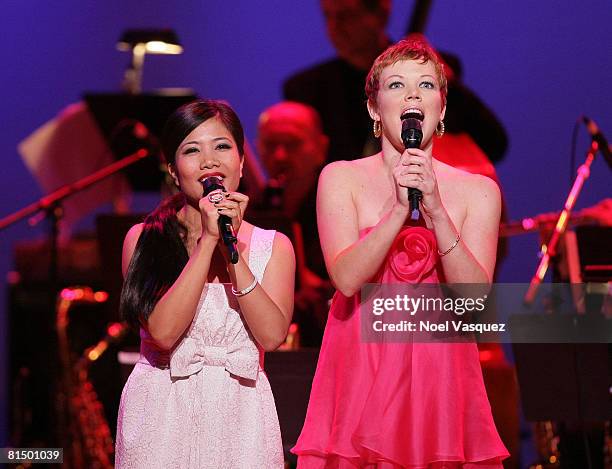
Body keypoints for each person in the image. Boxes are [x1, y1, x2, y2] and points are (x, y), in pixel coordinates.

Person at [292, 38, 509, 467]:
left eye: (426, 85)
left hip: (439, 375)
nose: (412, 95)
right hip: (361, 369)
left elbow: (474, 299)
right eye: (397, 85)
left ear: (442, 109)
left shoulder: (478, 190)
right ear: (375, 108)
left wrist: (437, 211)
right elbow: (347, 278)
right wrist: (397, 209)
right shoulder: (340, 178)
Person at [115, 99, 295, 468]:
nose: (209, 161)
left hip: (242, 416)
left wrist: (232, 252)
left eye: (222, 147)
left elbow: (272, 335)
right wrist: (206, 242)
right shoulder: (143, 240)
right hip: (160, 413)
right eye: (192, 150)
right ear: (173, 170)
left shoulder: (274, 246)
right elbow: (163, 333)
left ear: (242, 163)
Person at [253, 101, 333, 345]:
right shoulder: (252, 209)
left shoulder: (343, 206)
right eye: (270, 145)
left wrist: (321, 287)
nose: (280, 156)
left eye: (292, 144)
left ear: (321, 148)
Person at [284, 0, 392, 162]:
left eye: (345, 16)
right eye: (328, 16)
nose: (334, 27)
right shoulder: (304, 89)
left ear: (380, 16)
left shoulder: (437, 74)